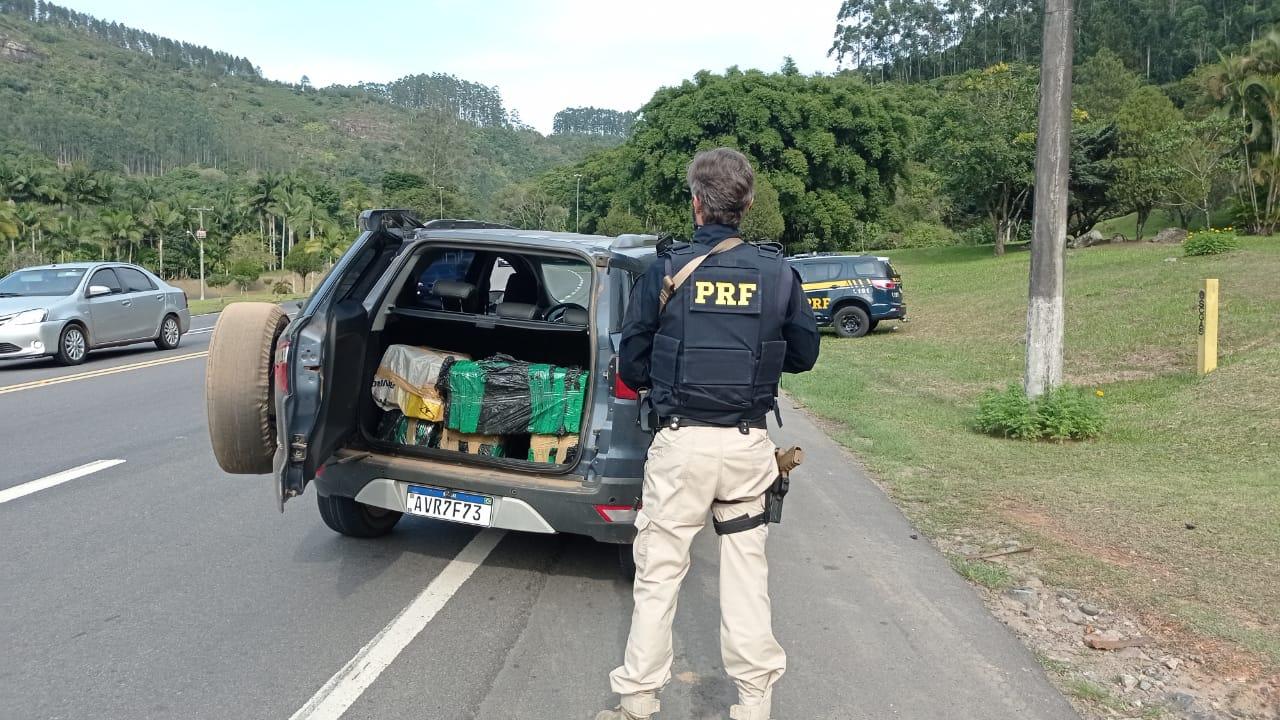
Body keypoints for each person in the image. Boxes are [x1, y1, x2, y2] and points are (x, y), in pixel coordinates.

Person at [597, 148, 820, 720]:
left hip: (680, 445)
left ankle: (639, 703)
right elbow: (804, 354)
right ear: (747, 205)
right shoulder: (777, 273)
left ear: (695, 204)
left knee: (659, 573)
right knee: (747, 577)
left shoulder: (665, 270)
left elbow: (632, 364)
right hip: (746, 448)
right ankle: (752, 706)